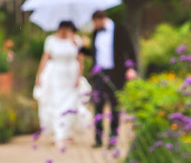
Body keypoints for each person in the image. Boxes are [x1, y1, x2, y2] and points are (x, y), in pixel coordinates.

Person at [33, 21, 92, 144]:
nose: (64, 31)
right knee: (56, 102)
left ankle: (66, 131)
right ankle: (59, 133)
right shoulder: (51, 40)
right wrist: (39, 76)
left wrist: (79, 77)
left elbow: (81, 60)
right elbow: (45, 58)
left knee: (70, 104)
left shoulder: (76, 40)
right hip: (55, 76)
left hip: (71, 75)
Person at [89, 10, 137, 148]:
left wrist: (131, 68)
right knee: (98, 105)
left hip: (116, 73)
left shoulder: (120, 30)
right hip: (100, 73)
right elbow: (94, 53)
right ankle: (98, 138)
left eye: (95, 22)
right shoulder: (95, 33)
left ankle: (113, 138)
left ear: (101, 19)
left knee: (115, 105)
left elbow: (130, 49)